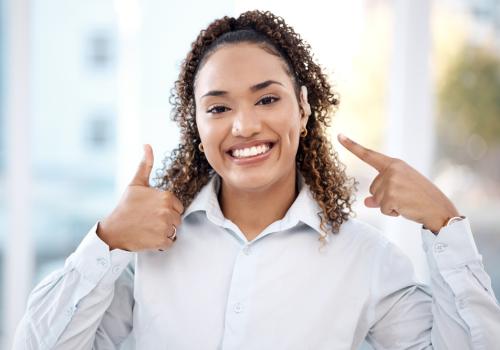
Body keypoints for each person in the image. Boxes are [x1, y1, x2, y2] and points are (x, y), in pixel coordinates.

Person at [12, 10, 500, 350]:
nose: (243, 125)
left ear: (304, 108)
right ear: (197, 129)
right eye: (219, 108)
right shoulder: (146, 249)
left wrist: (443, 220)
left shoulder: (363, 258)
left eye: (267, 99)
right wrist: (107, 241)